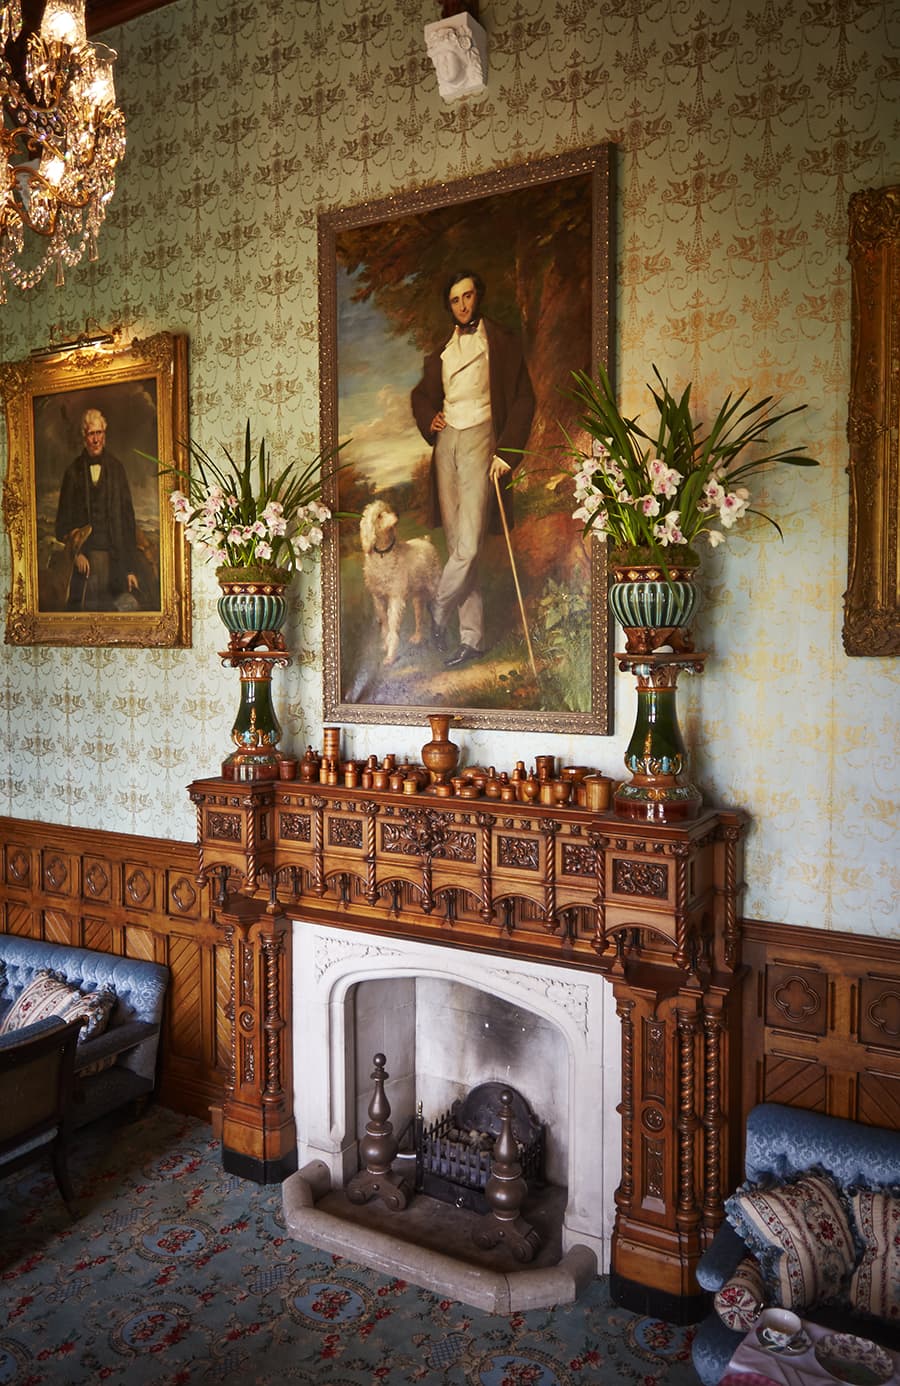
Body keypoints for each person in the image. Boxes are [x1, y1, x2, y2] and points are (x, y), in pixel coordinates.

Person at [410, 269, 535, 667]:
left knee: (470, 545)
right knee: (456, 544)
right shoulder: (442, 350)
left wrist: (507, 453)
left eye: (468, 296)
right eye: (455, 300)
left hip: (483, 437)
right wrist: (430, 416)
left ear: (478, 296)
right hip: (447, 444)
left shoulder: (501, 342)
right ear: (449, 305)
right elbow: (422, 395)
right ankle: (472, 638)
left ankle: (436, 610)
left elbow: (523, 399)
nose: (463, 305)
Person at [54, 408, 143, 611]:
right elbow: (62, 523)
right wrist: (77, 554)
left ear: (105, 434)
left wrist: (130, 569)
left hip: (116, 561)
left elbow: (128, 522)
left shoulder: (118, 470)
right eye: (91, 434)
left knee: (120, 615)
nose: (95, 439)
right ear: (84, 437)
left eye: (99, 433)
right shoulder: (72, 472)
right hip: (86, 562)